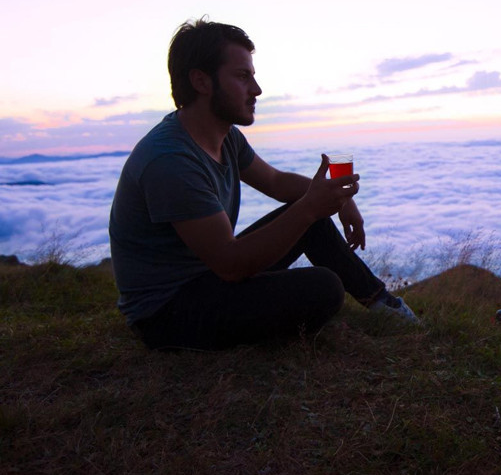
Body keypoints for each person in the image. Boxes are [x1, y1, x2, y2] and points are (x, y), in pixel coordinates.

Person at [109, 18, 419, 351]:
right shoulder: (170, 160)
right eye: (243, 77)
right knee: (324, 288)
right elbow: (230, 265)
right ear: (201, 81)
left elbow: (275, 181)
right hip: (167, 314)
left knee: (310, 223)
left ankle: (383, 305)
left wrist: (341, 202)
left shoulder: (225, 136)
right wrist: (309, 208)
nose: (256, 90)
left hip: (206, 277)